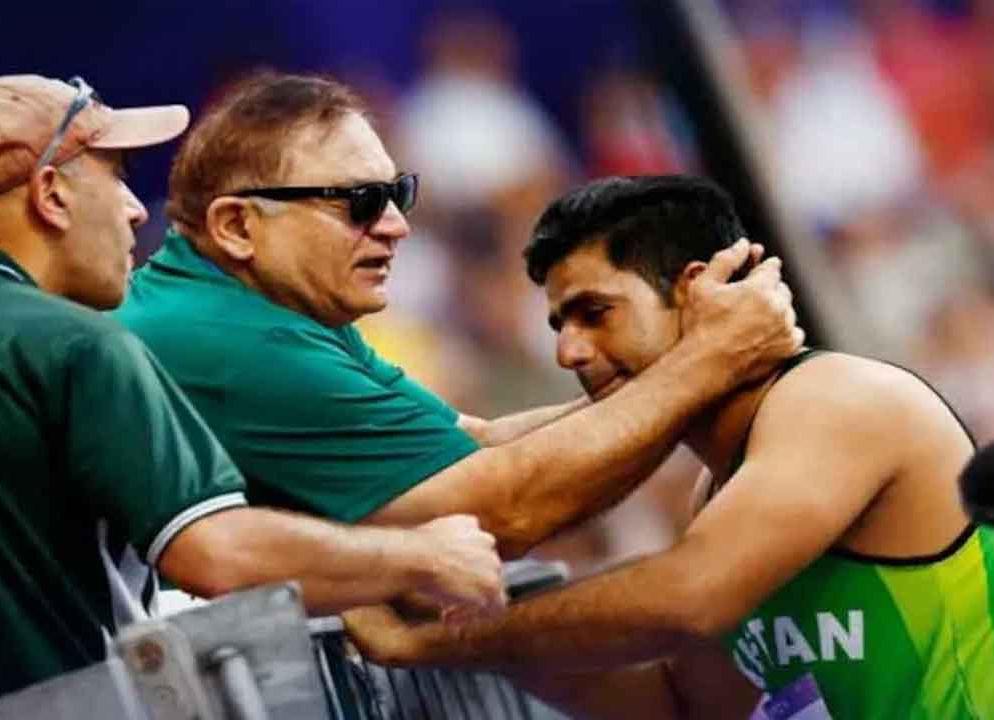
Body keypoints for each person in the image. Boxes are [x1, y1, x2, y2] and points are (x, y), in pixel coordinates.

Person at [0, 74, 507, 720]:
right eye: (114, 176)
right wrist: (418, 556)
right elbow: (216, 552)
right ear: (52, 194)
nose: (135, 210)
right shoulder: (73, 343)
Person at [343, 176, 994, 720]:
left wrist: (446, 641)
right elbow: (681, 704)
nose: (568, 352)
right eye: (558, 324)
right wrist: (481, 635)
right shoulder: (721, 489)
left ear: (699, 291)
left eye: (595, 313)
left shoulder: (838, 401)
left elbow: (687, 596)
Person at [113, 72, 804, 559]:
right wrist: (709, 363)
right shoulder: (230, 340)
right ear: (237, 226)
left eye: (398, 194)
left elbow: (475, 443)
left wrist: (680, 359)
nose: (395, 226)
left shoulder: (261, 302)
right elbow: (500, 508)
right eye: (360, 203)